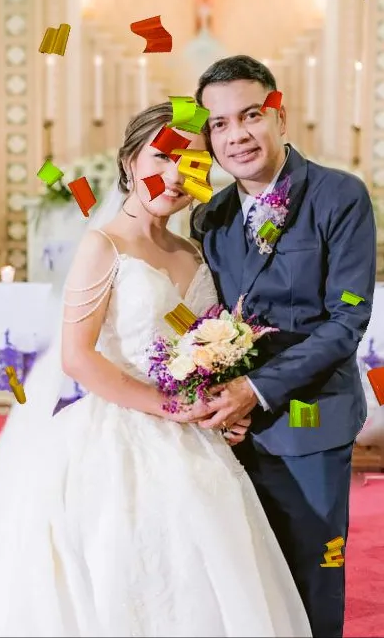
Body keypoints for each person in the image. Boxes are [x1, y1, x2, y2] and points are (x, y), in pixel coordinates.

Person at [0, 102, 311, 638]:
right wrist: (173, 406)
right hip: (116, 436)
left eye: (196, 166)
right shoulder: (103, 245)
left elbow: (198, 343)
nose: (177, 176)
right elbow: (78, 357)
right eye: (163, 157)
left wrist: (220, 399)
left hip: (194, 439)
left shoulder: (193, 253)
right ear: (131, 159)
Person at [190, 55, 376, 638]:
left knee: (312, 579)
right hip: (231, 431)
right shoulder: (210, 216)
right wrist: (217, 395)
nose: (236, 134)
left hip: (309, 419)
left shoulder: (339, 196)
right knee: (247, 582)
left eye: (250, 115)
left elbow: (346, 322)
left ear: (280, 115)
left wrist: (256, 389)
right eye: (219, 124)